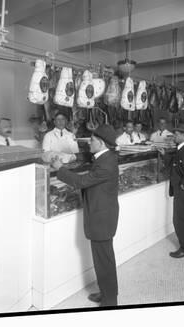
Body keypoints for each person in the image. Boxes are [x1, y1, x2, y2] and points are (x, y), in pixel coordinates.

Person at [51, 125, 120, 307]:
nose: (89, 143)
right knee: (102, 259)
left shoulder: (106, 163)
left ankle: (110, 301)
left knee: (104, 260)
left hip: (102, 218)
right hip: (102, 215)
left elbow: (82, 182)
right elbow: (91, 164)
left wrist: (60, 168)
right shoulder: (106, 156)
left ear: (102, 143)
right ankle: (106, 292)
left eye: (92, 140)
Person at [157, 124, 184, 258]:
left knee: (180, 220)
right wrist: (165, 155)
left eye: (176, 134)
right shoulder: (182, 148)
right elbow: (176, 164)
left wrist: (182, 185)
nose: (174, 136)